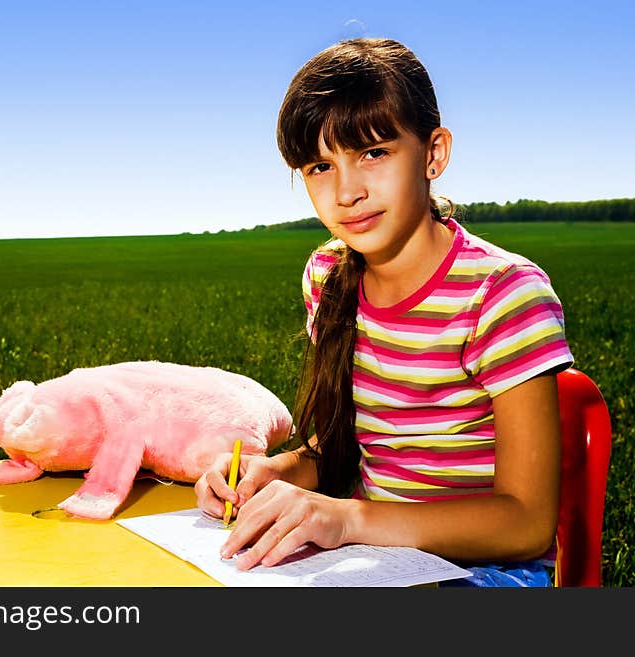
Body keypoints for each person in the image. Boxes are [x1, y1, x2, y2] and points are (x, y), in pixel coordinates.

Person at [195, 37, 574, 587]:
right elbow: (347, 444)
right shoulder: (327, 277)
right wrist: (275, 470)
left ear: (433, 154)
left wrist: (349, 519)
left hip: (489, 572)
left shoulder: (502, 294)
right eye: (319, 167)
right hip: (373, 557)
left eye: (373, 153)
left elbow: (527, 523)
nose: (346, 192)